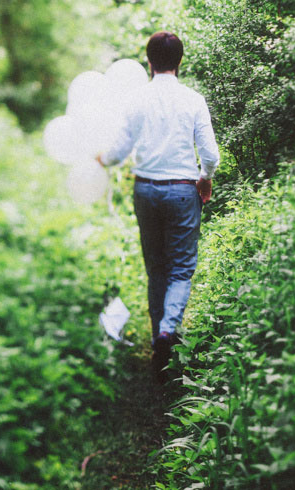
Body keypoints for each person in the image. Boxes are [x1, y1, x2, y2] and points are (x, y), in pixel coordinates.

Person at [98, 31, 220, 374]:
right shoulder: (193, 100)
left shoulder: (136, 100)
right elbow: (209, 154)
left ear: (148, 61)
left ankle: (157, 341)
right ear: (180, 62)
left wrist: (99, 160)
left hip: (146, 191)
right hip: (183, 190)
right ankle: (169, 330)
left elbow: (118, 151)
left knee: (157, 268)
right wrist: (205, 177)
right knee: (181, 268)